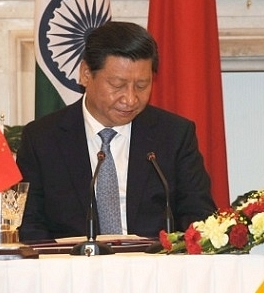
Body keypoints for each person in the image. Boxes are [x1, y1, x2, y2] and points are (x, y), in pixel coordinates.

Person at [17, 21, 217, 241]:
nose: (130, 99)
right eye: (117, 85)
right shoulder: (42, 139)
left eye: (141, 86)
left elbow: (199, 217)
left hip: (153, 270)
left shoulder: (174, 135)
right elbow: (30, 226)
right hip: (73, 270)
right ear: (85, 74)